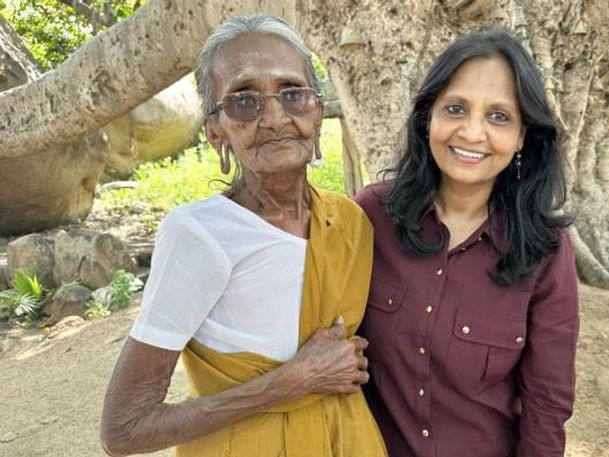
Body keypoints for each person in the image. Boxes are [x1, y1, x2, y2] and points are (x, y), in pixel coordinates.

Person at [100, 14, 386, 457]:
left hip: (348, 441)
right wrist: (291, 383)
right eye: (243, 101)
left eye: (292, 94)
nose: (274, 118)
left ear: (317, 111)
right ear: (216, 132)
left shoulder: (349, 222)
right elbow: (124, 428)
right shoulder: (198, 234)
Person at [354, 29, 579, 456]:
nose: (472, 133)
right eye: (455, 109)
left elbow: (546, 405)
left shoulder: (545, 250)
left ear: (522, 137)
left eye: (498, 116)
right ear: (428, 119)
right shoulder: (371, 216)